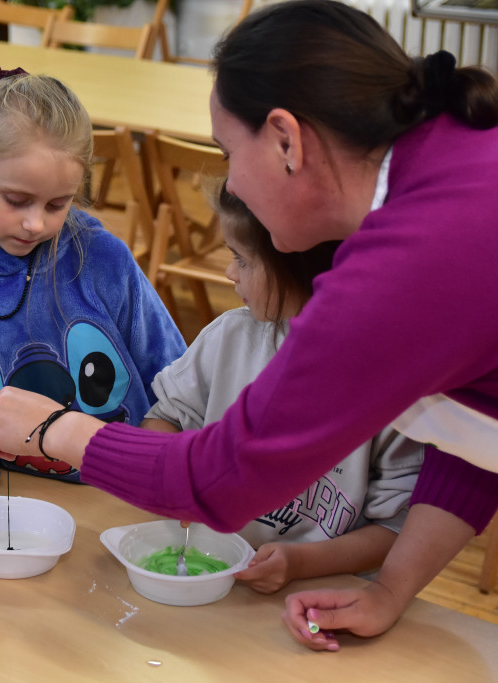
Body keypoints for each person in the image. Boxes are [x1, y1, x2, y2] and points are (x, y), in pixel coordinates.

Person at [0, 0, 498, 650]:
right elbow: (480, 428)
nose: (232, 182)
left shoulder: (409, 261)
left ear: (286, 139)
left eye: (228, 151)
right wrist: (391, 588)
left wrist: (61, 431)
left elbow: (223, 476)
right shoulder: (448, 162)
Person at [0, 59, 185, 506]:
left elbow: (174, 381)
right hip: (13, 503)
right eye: (16, 200)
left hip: (123, 496)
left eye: (57, 204)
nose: (35, 223)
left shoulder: (102, 259)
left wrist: (161, 467)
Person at [141, 180, 422, 594]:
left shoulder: (398, 386)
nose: (229, 272)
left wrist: (300, 563)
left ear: (302, 268)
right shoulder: (230, 338)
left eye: (243, 260)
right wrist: (176, 485)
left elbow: (397, 529)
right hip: (213, 575)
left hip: (323, 590)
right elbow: (163, 419)